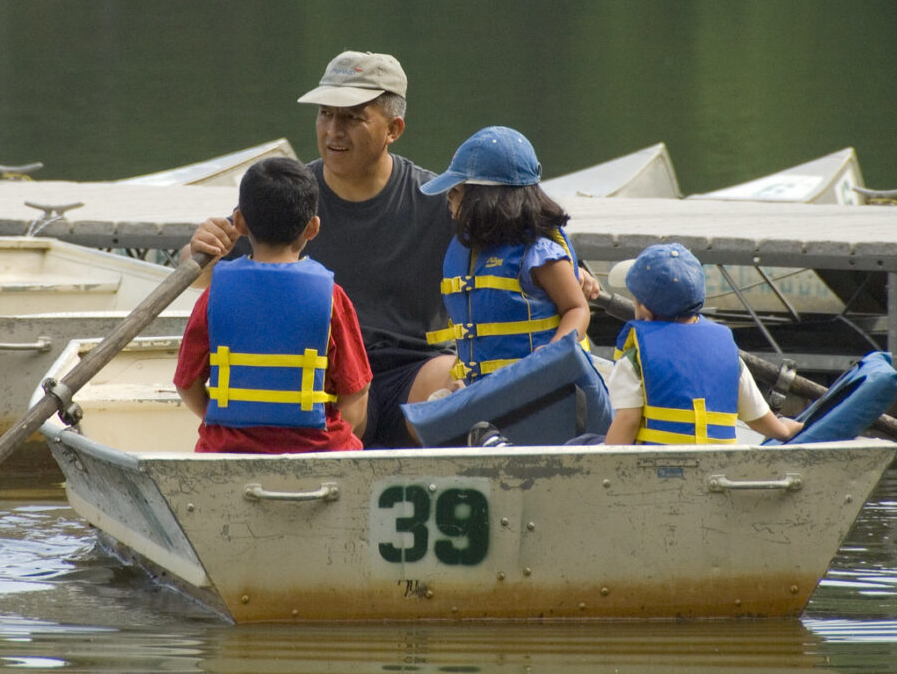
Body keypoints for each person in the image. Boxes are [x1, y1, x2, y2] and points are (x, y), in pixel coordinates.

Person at [186, 51, 464, 449]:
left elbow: (509, 245)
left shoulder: (439, 200)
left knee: (456, 381)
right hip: (322, 379)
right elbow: (199, 275)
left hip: (413, 369)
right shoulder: (288, 196)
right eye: (326, 114)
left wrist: (567, 272)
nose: (334, 130)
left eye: (352, 118)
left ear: (394, 129)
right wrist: (199, 250)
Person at [173, 156, 370, 453]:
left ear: (238, 222)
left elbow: (186, 382)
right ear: (313, 227)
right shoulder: (332, 296)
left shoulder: (214, 294)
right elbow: (356, 388)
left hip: (227, 447)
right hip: (318, 447)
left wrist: (220, 418)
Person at [419, 126, 590, 386]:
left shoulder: (539, 254)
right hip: (485, 389)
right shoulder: (468, 251)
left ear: (486, 198)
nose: (448, 198)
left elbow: (577, 308)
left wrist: (554, 354)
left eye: (455, 190)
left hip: (538, 388)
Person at [603, 242, 800, 444]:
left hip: (655, 471)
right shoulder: (728, 356)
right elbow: (761, 419)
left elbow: (628, 421)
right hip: (718, 470)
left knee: (583, 441)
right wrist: (788, 429)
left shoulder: (635, 358)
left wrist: (603, 471)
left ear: (644, 310)